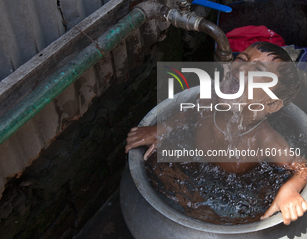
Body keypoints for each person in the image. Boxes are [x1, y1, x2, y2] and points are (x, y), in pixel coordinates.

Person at [125, 42, 307, 225]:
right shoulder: (208, 100)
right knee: (156, 162)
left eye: (258, 70)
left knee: (252, 214)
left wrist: (289, 190)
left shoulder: (265, 139)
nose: (242, 67)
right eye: (242, 59)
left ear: (270, 104)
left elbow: (302, 169)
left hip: (240, 186)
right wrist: (161, 128)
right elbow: (190, 114)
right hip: (197, 165)